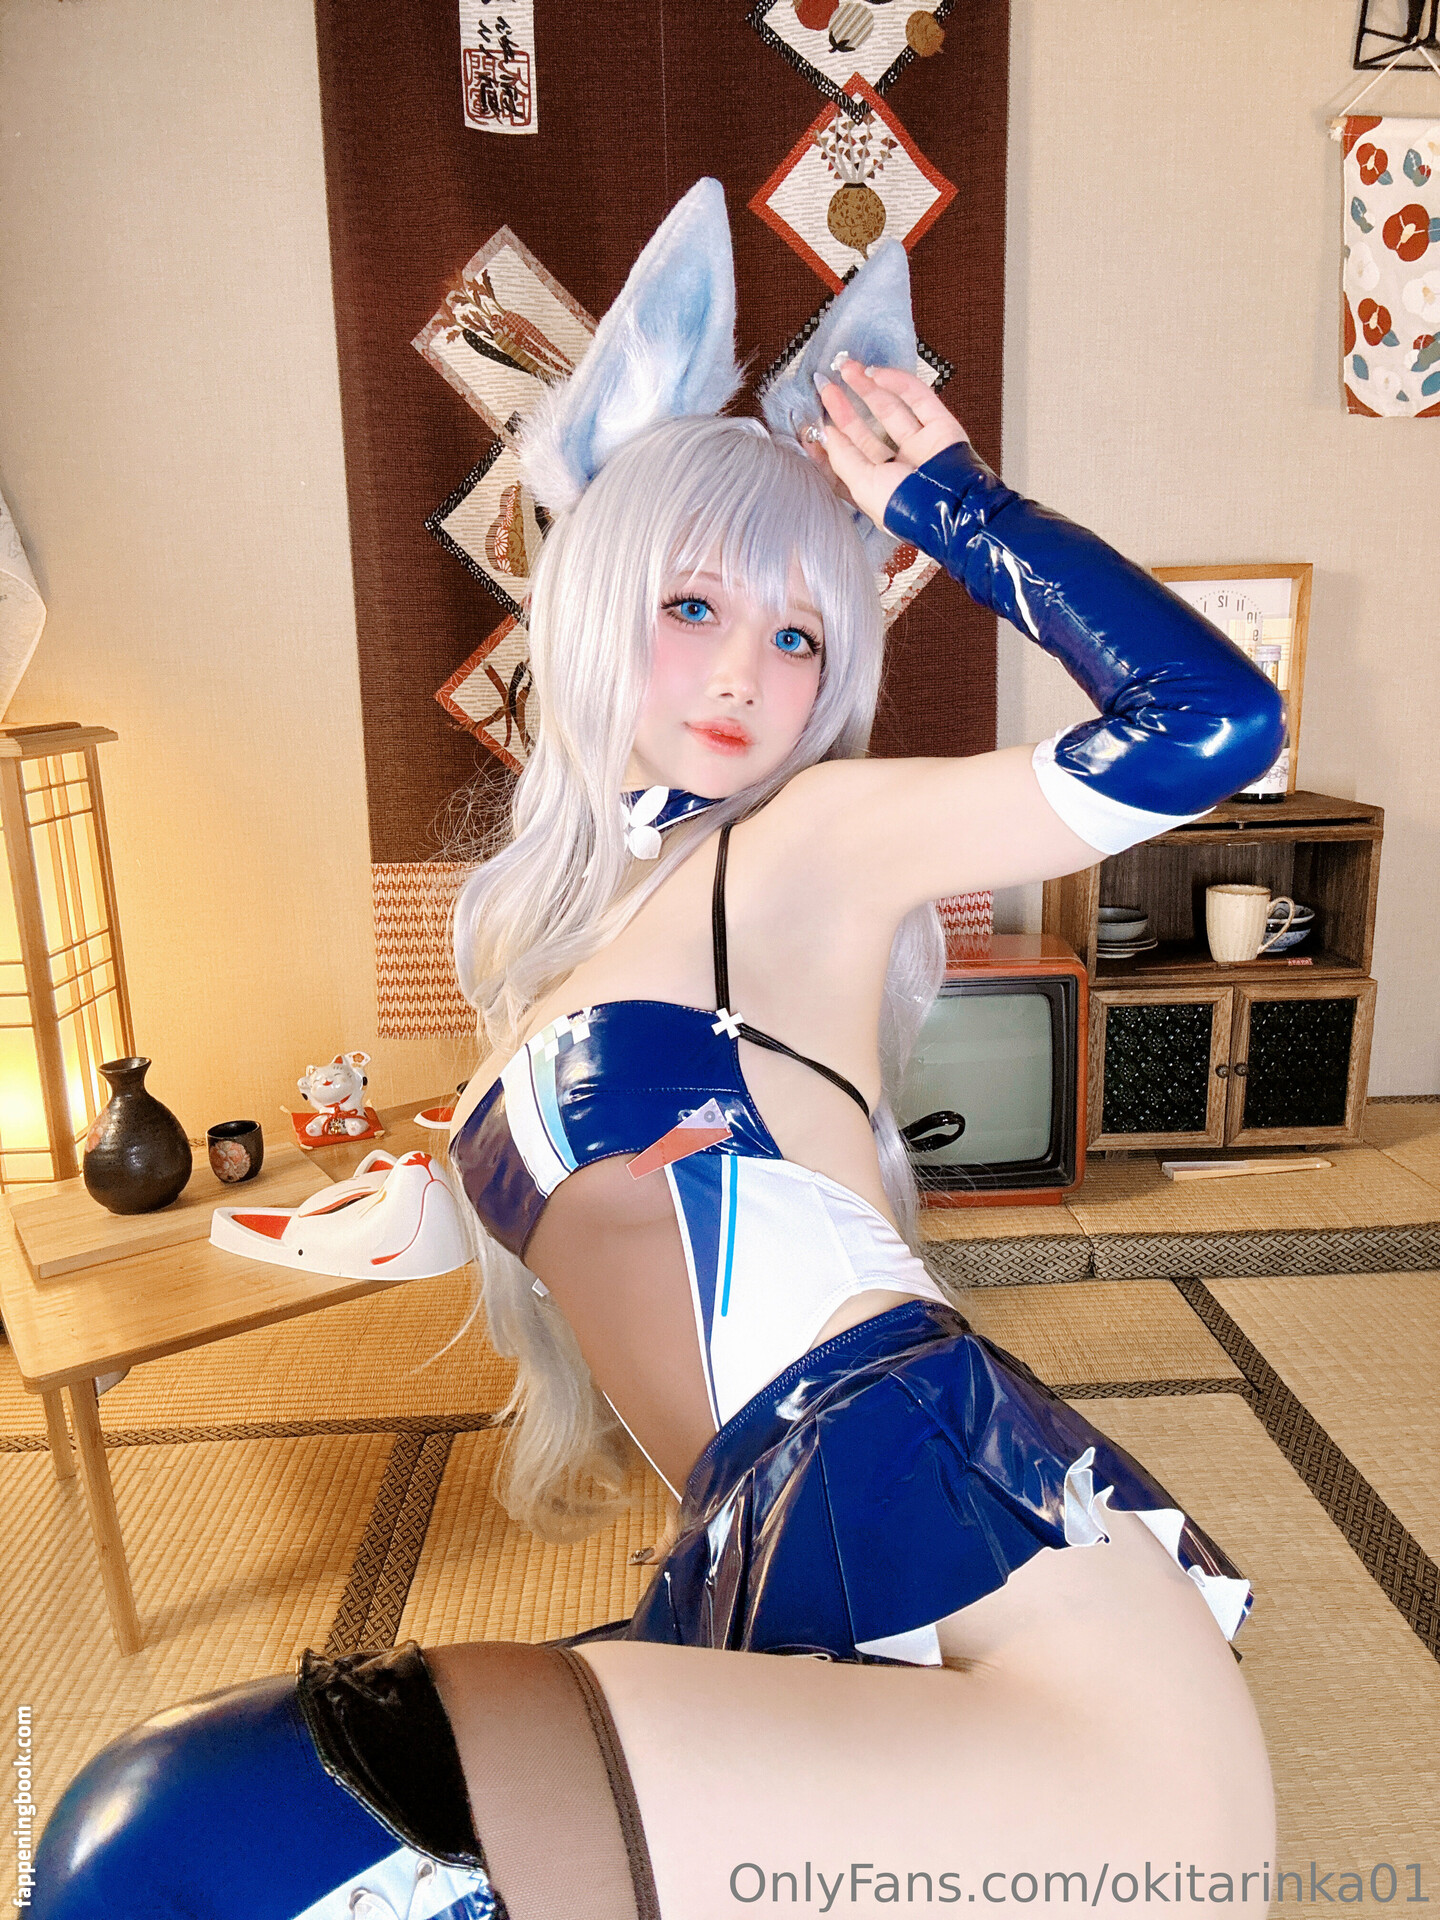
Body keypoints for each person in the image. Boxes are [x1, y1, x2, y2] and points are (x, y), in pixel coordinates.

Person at [31, 181, 1281, 1917]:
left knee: (181, 1834)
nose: (746, 676)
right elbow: (613, 1187)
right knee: (186, 1843)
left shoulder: (812, 838)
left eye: (799, 634)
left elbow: (1217, 726)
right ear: (596, 594)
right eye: (693, 606)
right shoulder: (593, 926)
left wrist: (949, 506)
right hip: (826, 1633)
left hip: (1050, 1694)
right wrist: (403, 1198)